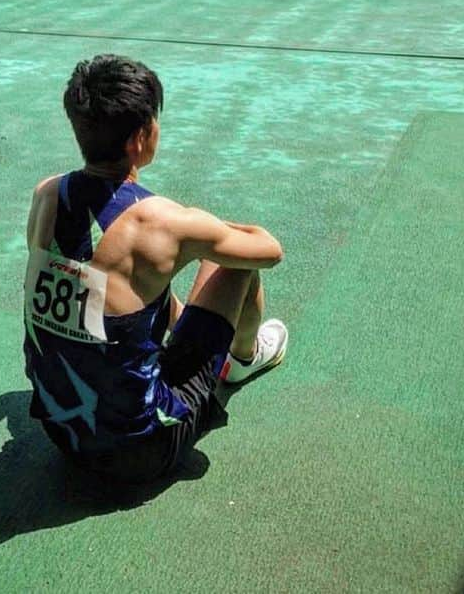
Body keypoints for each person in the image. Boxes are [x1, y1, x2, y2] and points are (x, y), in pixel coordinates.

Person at [24, 55, 287, 484]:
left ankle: (194, 344)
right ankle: (242, 358)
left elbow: (103, 292)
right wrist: (204, 226)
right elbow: (268, 250)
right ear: (141, 137)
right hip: (143, 451)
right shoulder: (159, 221)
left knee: (116, 280)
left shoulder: (47, 194)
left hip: (64, 436)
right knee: (236, 266)